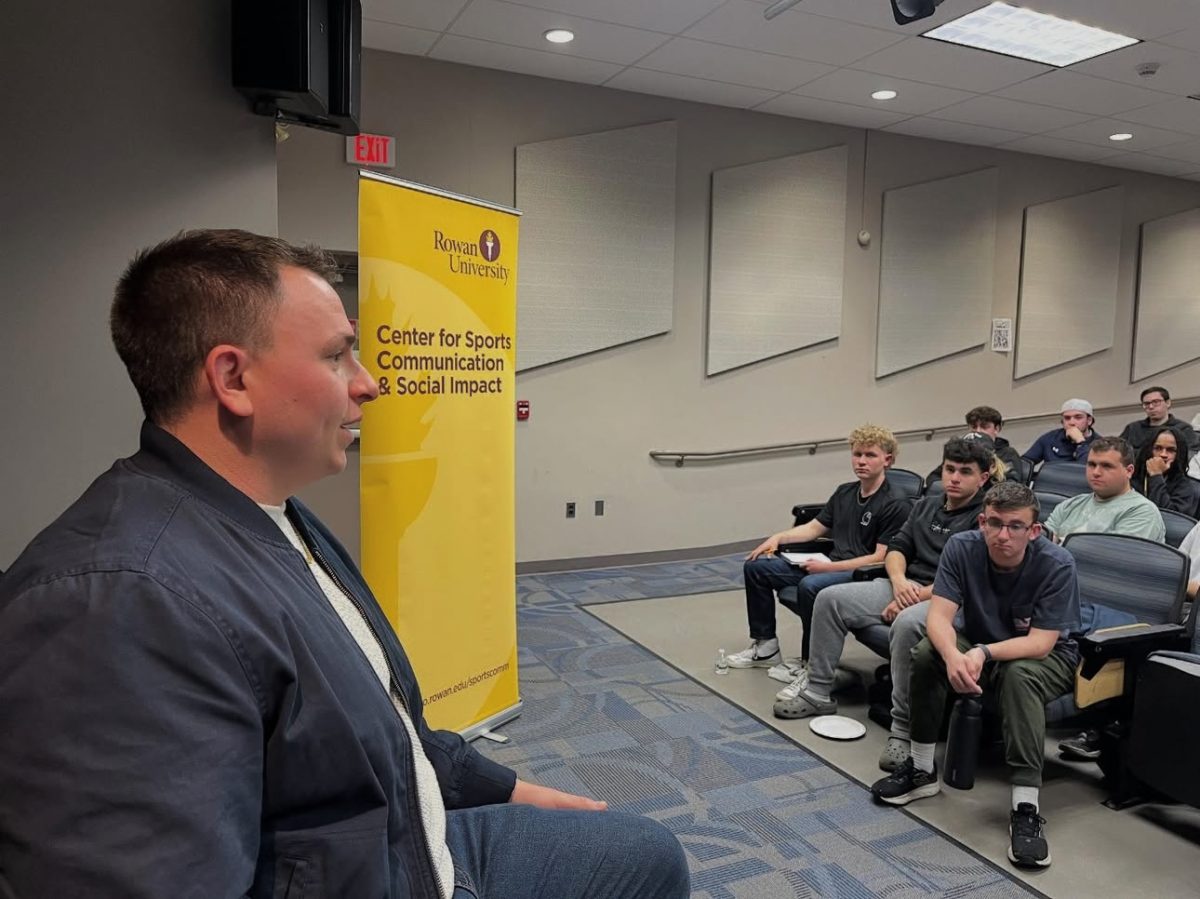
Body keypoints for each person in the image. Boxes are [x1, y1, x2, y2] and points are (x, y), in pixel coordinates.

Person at [0, 231, 689, 899]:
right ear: (233, 377)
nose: (370, 385)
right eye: (338, 357)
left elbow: (377, 722)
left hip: (409, 851)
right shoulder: (123, 604)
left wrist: (501, 787)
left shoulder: (265, 512)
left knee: (646, 857)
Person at [870, 483, 1081, 870]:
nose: (1004, 535)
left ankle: (1025, 807)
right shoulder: (962, 547)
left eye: (1016, 526)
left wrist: (979, 653)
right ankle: (921, 770)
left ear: (1034, 531)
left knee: (1020, 677)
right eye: (995, 523)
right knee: (926, 652)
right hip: (981, 641)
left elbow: (1040, 644)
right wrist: (953, 655)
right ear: (982, 522)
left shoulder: (1057, 563)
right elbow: (938, 617)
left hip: (1045, 656)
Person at [772, 438, 993, 772]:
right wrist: (901, 581)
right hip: (905, 585)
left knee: (906, 625)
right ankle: (818, 692)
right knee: (830, 598)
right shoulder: (926, 505)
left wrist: (914, 598)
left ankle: (903, 730)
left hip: (947, 599)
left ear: (984, 477)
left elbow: (967, 578)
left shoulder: (985, 519)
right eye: (950, 469)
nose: (955, 478)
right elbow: (896, 548)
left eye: (965, 472)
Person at [726, 426, 909, 682]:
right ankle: (765, 646)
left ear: (887, 460)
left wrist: (829, 569)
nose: (862, 461)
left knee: (812, 586)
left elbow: (881, 557)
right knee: (757, 567)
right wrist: (777, 538)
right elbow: (814, 528)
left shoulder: (896, 503)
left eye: (870, 455)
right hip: (830, 564)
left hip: (861, 575)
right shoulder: (845, 491)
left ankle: (811, 662)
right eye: (857, 454)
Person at [1042, 437, 1166, 544]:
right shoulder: (1069, 505)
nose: (1096, 472)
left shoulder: (1142, 511)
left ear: (1129, 471)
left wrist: (1059, 543)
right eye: (1091, 464)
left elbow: (1109, 560)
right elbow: (1040, 545)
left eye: (1107, 466)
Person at [926, 406, 1022, 485]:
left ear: (997, 429)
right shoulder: (961, 452)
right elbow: (933, 478)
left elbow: (1013, 485)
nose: (978, 431)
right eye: (974, 427)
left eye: (984, 427)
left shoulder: (1008, 453)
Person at [1131, 425, 1199, 515]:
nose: (1163, 454)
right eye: (1158, 448)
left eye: (1170, 450)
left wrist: (1156, 476)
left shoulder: (1185, 486)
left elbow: (1170, 518)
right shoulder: (1131, 479)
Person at [1119, 386, 1199, 455]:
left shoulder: (1183, 428)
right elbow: (1119, 451)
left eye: (1156, 402)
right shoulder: (1133, 428)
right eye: (1146, 404)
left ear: (1168, 403)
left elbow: (1190, 454)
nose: (1150, 407)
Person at [1023, 398, 1099, 466]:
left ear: (1089, 420)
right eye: (1067, 418)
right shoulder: (1050, 438)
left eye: (1078, 417)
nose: (1072, 422)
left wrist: (1081, 442)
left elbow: (1087, 470)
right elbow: (1025, 462)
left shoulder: (1100, 444)